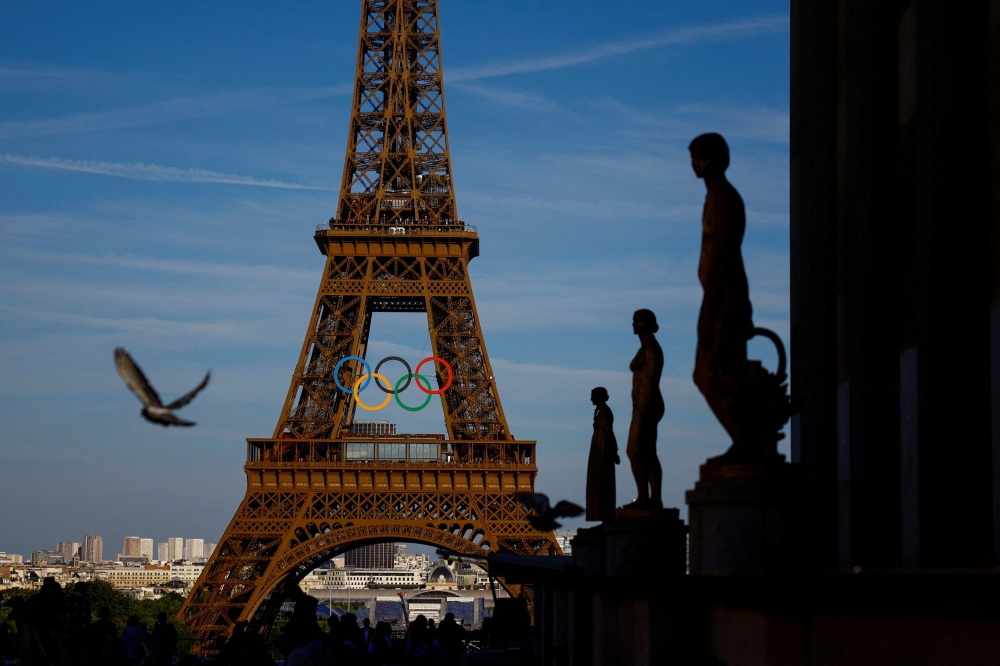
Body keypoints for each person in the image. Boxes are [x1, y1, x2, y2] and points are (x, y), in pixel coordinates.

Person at [689, 132, 755, 456]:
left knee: (709, 374)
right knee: (719, 374)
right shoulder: (718, 196)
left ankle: (747, 441)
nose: (694, 164)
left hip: (723, 296)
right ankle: (748, 441)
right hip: (724, 295)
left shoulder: (722, 197)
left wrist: (707, 312)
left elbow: (722, 258)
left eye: (700, 156)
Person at [625, 309, 665, 508]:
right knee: (645, 452)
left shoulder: (650, 349)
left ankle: (647, 498)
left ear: (646, 324)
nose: (633, 324)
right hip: (644, 404)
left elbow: (649, 381)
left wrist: (642, 407)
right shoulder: (647, 347)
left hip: (646, 405)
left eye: (637, 321)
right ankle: (650, 497)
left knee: (635, 451)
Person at [586, 387, 619, 520]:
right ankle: (603, 512)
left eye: (592, 396)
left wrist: (614, 451)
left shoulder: (604, 412)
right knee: (600, 480)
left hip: (601, 447)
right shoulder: (602, 411)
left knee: (600, 479)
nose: (590, 399)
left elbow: (609, 432)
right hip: (599, 446)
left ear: (598, 397)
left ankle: (603, 513)